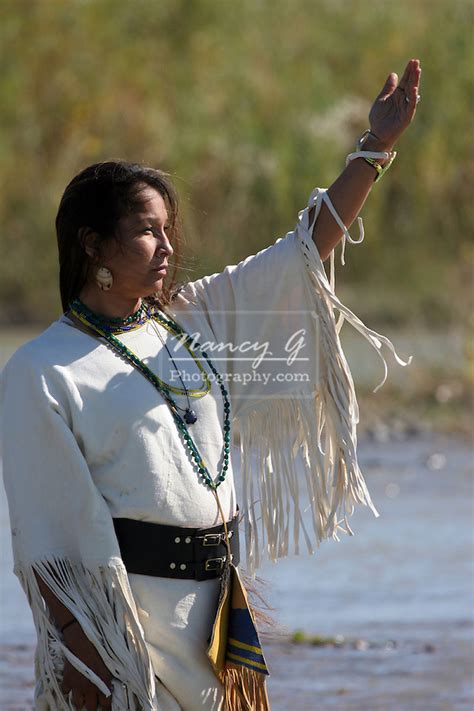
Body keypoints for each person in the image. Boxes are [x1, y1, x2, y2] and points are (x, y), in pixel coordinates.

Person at [1, 59, 421, 710]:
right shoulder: (42, 371)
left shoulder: (189, 322)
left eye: (169, 228)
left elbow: (301, 252)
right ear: (93, 245)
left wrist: (374, 150)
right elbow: (52, 551)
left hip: (222, 607)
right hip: (131, 626)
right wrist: (93, 671)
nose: (167, 244)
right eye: (146, 229)